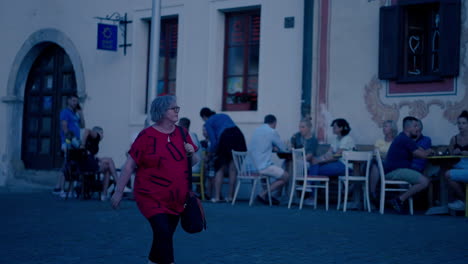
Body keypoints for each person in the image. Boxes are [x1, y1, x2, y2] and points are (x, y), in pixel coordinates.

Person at [111, 95, 199, 264]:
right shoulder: (146, 136)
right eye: (173, 108)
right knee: (163, 232)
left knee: (164, 236)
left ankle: (153, 261)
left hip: (177, 198)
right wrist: (119, 191)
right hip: (150, 196)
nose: (177, 111)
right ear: (161, 112)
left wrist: (191, 153)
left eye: (177, 108)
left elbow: (194, 162)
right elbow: (129, 165)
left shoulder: (182, 132)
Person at [384, 116, 434, 214]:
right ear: (408, 128)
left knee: (421, 179)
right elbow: (422, 155)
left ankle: (399, 200)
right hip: (395, 171)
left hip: (394, 170)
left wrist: (425, 151)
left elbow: (419, 150)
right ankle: (399, 200)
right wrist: (429, 151)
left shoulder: (403, 138)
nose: (418, 129)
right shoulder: (405, 139)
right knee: (425, 181)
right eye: (415, 126)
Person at [200, 107, 247, 203]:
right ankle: (230, 197)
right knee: (233, 168)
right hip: (239, 135)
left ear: (204, 116)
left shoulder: (208, 123)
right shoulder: (224, 115)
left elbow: (213, 142)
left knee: (219, 167)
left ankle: (217, 197)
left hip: (226, 137)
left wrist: (209, 155)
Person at [249, 114, 290, 205]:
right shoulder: (272, 132)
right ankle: (263, 194)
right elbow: (283, 148)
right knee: (286, 176)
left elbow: (261, 145)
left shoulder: (257, 130)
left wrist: (271, 147)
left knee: (267, 175)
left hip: (252, 166)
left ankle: (266, 196)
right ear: (274, 123)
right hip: (262, 166)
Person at [53, 94, 85, 196]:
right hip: (68, 142)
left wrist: (81, 114)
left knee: (73, 165)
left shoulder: (75, 113)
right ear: (68, 101)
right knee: (66, 164)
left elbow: (82, 125)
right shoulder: (65, 113)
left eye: (76, 101)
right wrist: (70, 141)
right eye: (73, 101)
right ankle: (60, 188)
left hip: (76, 142)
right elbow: (64, 127)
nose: (75, 103)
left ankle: (67, 189)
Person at [80, 126, 119, 201]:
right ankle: (118, 184)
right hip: (88, 164)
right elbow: (87, 130)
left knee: (107, 169)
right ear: (98, 132)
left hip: (88, 163)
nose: (103, 135)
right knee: (110, 160)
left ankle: (104, 195)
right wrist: (82, 145)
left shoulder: (93, 141)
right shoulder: (96, 136)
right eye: (102, 133)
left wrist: (99, 159)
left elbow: (91, 154)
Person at [288, 117, 319, 205]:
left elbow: (310, 155)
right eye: (299, 127)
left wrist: (299, 161)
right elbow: (291, 144)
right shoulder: (297, 136)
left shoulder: (313, 140)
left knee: (299, 166)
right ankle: (287, 195)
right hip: (297, 161)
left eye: (303, 127)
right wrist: (291, 146)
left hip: (307, 162)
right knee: (285, 165)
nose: (300, 129)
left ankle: (305, 190)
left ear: (309, 128)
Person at [369, 120, 398, 203]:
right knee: (374, 164)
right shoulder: (379, 141)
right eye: (383, 126)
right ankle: (372, 193)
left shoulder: (396, 142)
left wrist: (382, 155)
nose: (383, 128)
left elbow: (393, 156)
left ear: (392, 129)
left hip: (389, 167)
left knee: (375, 165)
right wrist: (383, 155)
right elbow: (375, 154)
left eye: (386, 126)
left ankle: (372, 193)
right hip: (377, 163)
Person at [445, 110, 468, 211]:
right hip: (459, 167)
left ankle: (463, 202)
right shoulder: (454, 139)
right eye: (459, 123)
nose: (460, 125)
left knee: (448, 174)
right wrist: (454, 152)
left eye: (464, 123)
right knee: (448, 175)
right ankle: (464, 201)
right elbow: (449, 156)